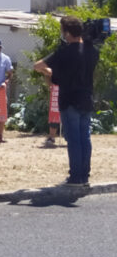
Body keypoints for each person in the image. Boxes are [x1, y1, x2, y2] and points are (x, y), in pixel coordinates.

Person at [33, 16, 99, 186]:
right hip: (86, 98)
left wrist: (49, 72)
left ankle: (75, 176)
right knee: (85, 138)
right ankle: (84, 175)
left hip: (69, 99)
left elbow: (38, 65)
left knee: (74, 140)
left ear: (67, 32)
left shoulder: (64, 52)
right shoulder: (92, 51)